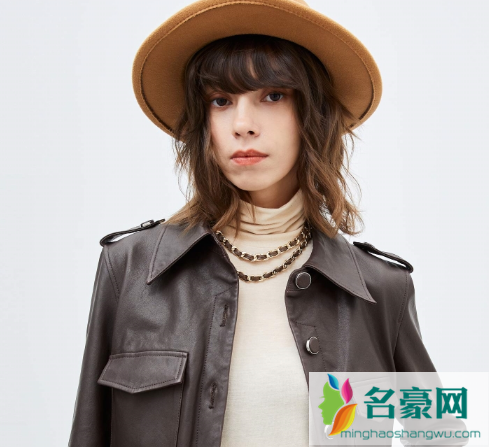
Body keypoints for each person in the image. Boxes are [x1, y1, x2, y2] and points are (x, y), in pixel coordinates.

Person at [68, 1, 443, 446]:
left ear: (313, 115)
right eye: (220, 101)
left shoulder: (381, 289)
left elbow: (441, 433)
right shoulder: (130, 268)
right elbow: (89, 432)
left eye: (273, 96)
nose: (243, 124)